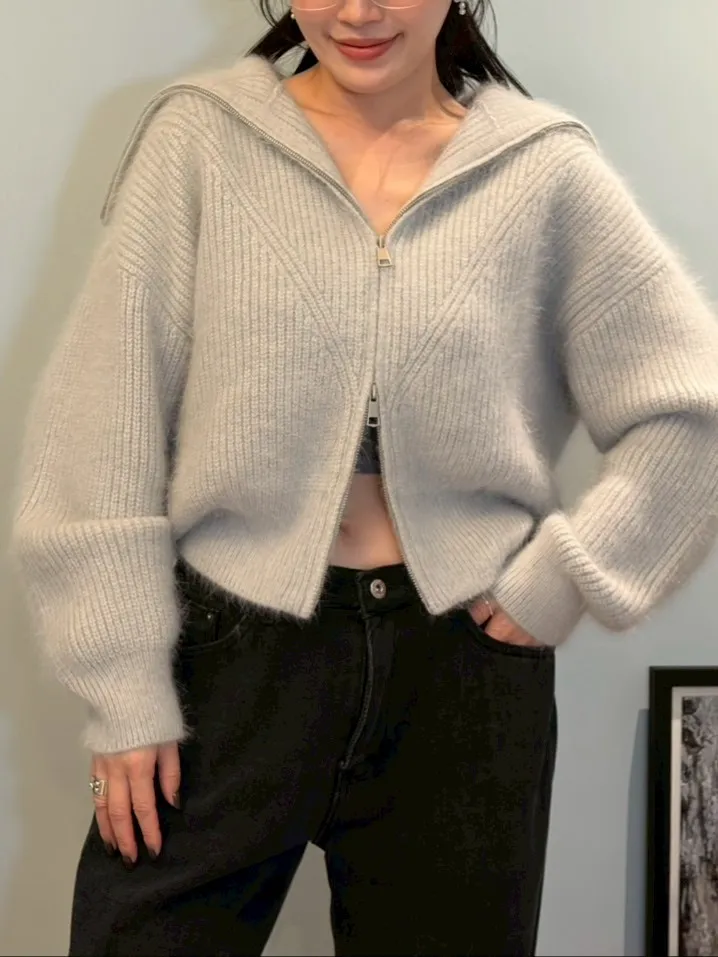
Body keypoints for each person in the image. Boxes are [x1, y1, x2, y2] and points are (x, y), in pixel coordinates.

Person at [11, 0, 718, 953]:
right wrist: (122, 690)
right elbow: (101, 428)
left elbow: (693, 408)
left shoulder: (541, 169)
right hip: (230, 661)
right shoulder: (202, 143)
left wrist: (561, 579)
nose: (356, 10)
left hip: (460, 678)